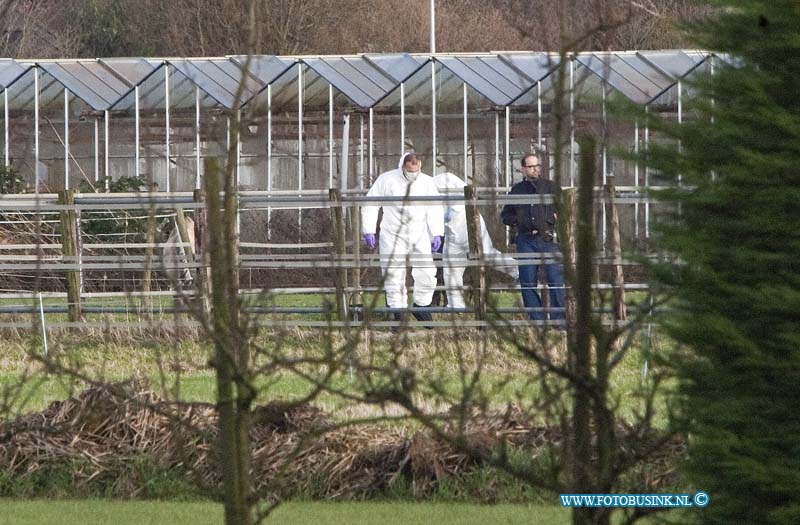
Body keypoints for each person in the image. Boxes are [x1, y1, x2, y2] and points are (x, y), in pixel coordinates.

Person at [362, 152, 444, 322]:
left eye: (416, 170)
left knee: (427, 271)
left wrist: (436, 232)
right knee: (393, 273)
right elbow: (370, 204)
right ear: (403, 166)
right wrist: (368, 229)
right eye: (409, 171)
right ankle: (397, 313)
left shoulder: (427, 182)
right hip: (392, 234)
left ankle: (422, 306)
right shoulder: (387, 180)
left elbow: (435, 207)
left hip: (419, 232)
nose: (413, 174)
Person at [433, 172, 519, 309]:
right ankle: (456, 306)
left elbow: (467, 193)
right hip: (452, 234)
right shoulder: (418, 193)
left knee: (488, 256)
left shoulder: (444, 178)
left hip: (470, 224)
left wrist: (449, 211)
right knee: (451, 269)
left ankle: (519, 271)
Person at [501, 153, 566, 322]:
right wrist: (520, 221)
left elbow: (565, 208)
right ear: (523, 169)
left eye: (537, 166)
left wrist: (552, 219)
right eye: (530, 166)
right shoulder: (517, 190)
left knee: (555, 279)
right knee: (528, 281)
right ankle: (537, 320)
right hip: (526, 240)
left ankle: (559, 320)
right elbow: (505, 216)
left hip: (548, 239)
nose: (535, 169)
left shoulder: (551, 187)